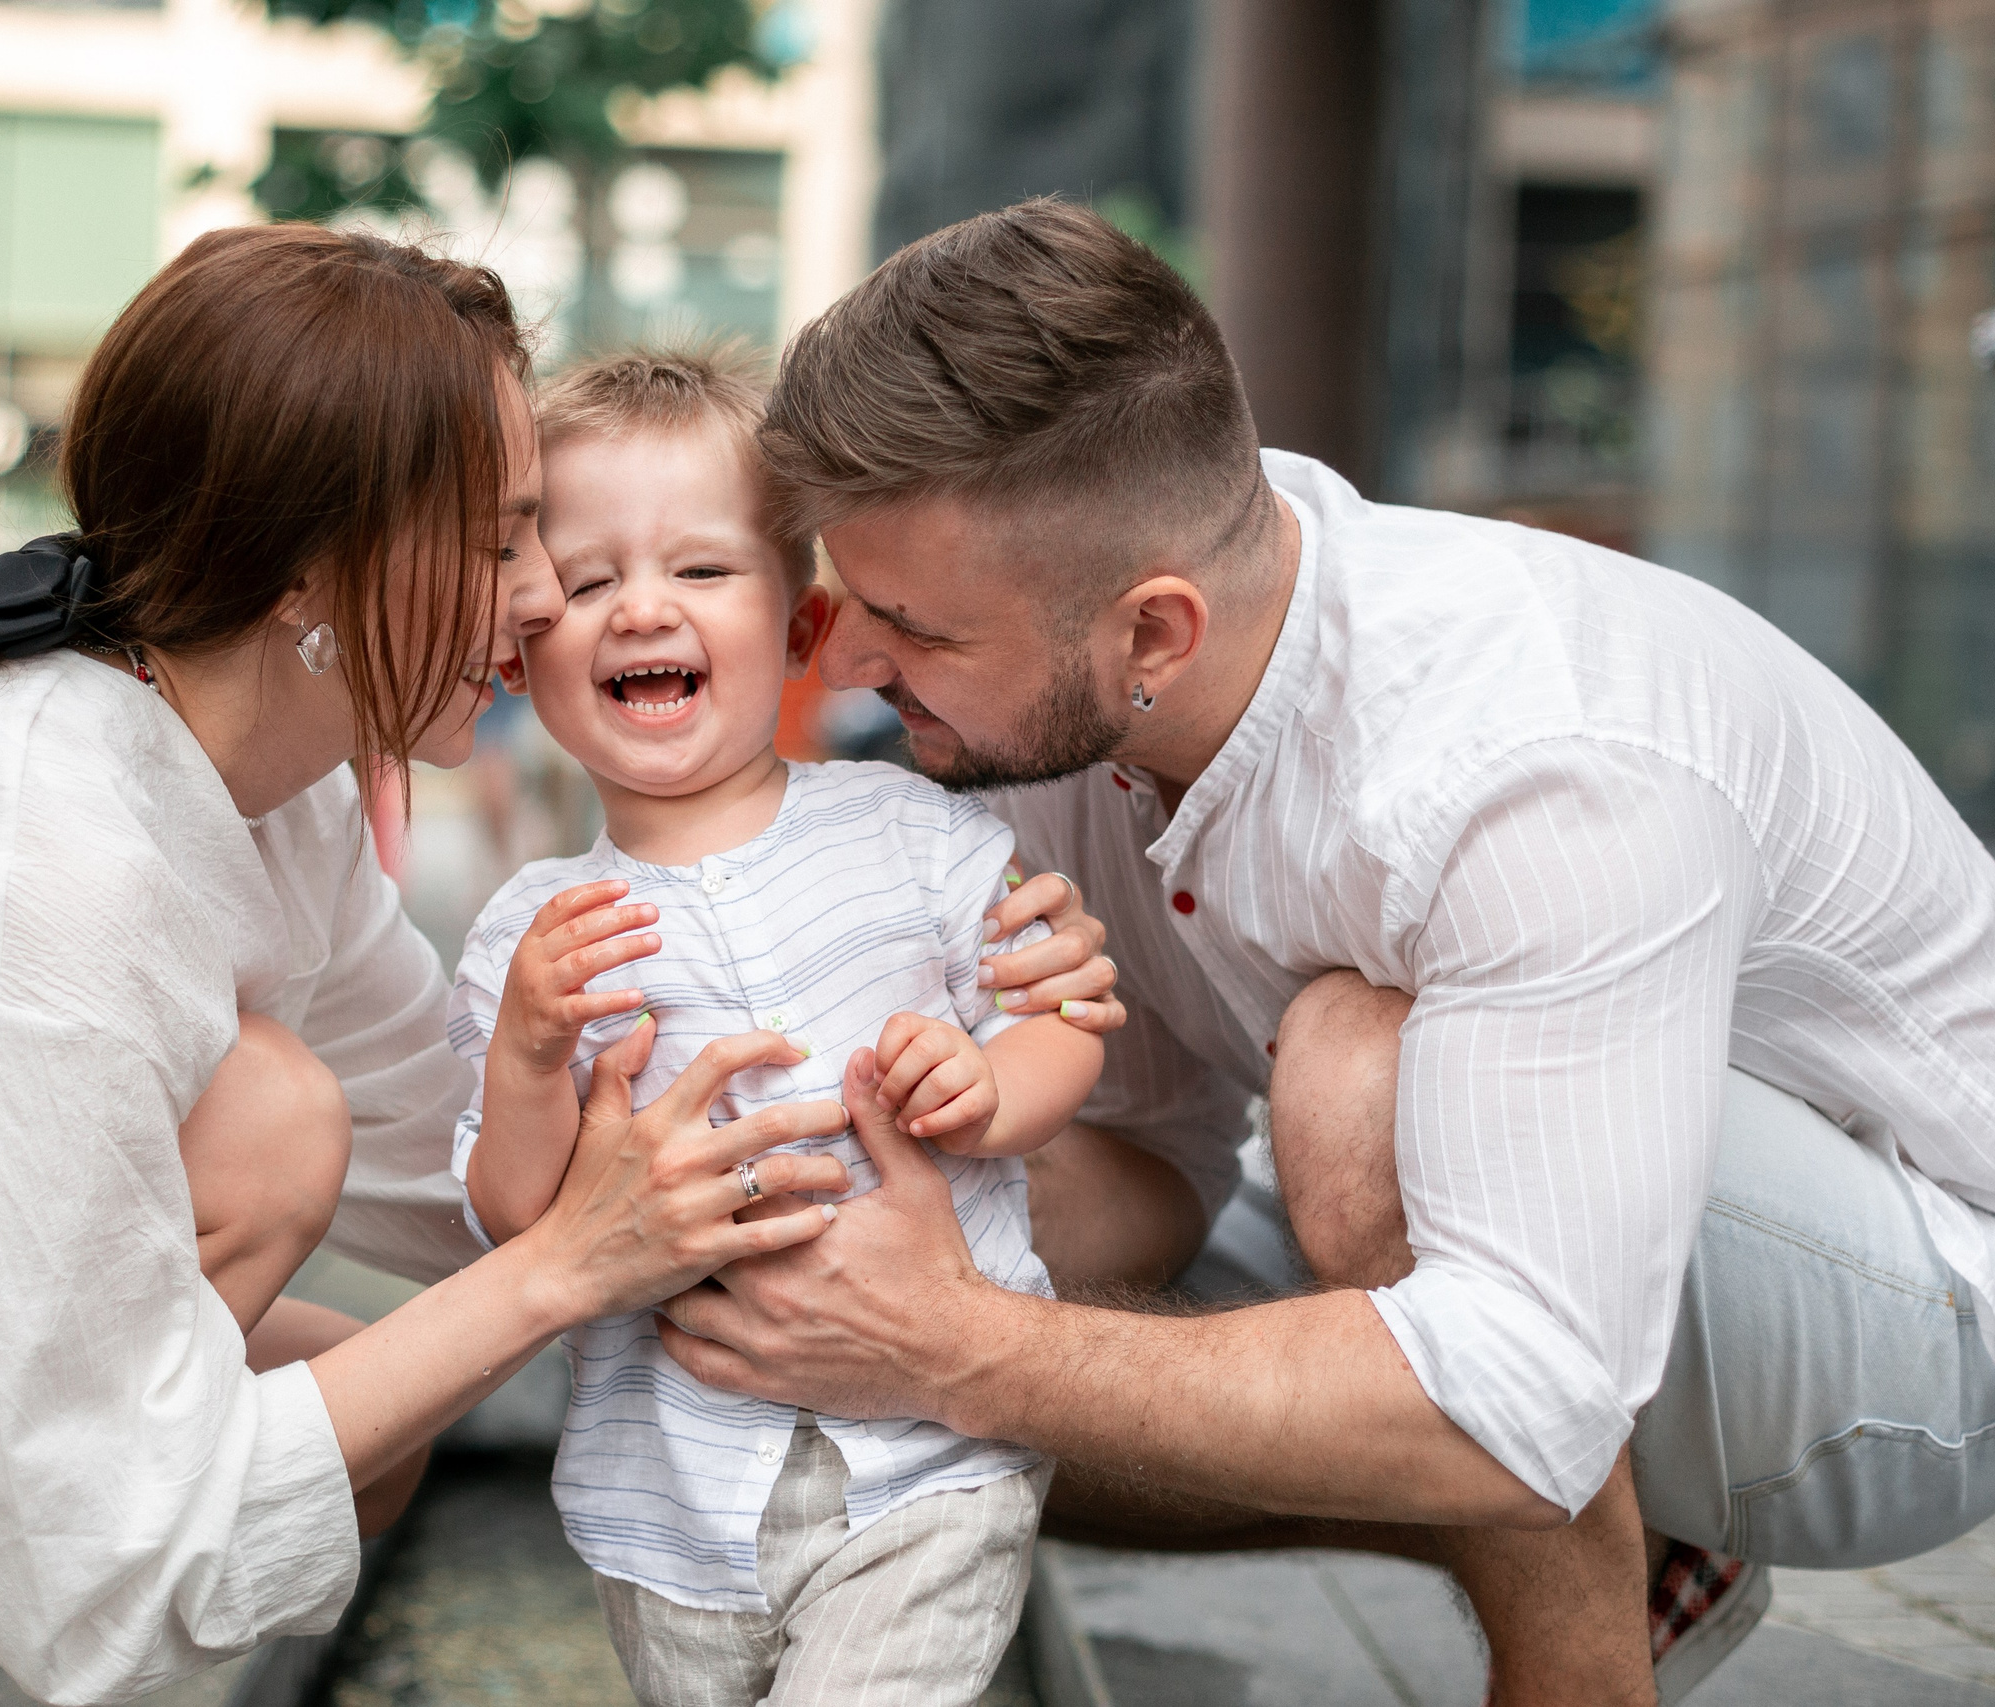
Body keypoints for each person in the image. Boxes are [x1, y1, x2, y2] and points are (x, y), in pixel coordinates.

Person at [0, 226, 901, 1707]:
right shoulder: (28, 851)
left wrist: (883, 1100)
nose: (545, 596)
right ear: (303, 568)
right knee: (259, 1131)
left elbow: (448, 1142)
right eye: (498, 536)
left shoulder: (266, 775)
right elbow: (119, 1547)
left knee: (357, 1427)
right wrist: (562, 1271)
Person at [648, 198, 1995, 1706]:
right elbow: (1148, 1172)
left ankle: (1578, 1672)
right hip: (1609, 1283)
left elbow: (1527, 1383)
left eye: (909, 625)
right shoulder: (1090, 694)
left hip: (1933, 1325)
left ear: (1155, 632)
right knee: (899, 1388)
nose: (848, 666)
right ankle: (1619, 1544)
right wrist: (812, 1217)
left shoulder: (1529, 762)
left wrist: (955, 1336)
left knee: (1354, 1077)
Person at [447, 349, 1107, 1707]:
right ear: (526, 644)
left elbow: (1064, 1015)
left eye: (699, 570)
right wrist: (525, 1055)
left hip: (930, 1463)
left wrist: (987, 1081)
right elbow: (518, 1216)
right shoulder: (534, 933)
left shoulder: (913, 833)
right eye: (585, 582)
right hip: (670, 1494)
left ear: (803, 629)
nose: (641, 608)